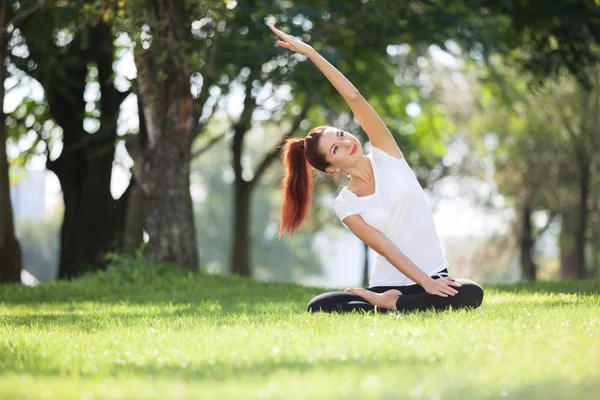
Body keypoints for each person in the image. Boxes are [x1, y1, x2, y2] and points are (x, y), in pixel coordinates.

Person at [270, 25, 484, 313]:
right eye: (336, 149)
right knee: (319, 305)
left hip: (433, 277)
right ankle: (387, 300)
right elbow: (384, 247)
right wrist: (422, 282)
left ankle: (387, 306)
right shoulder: (345, 204)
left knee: (471, 293)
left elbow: (354, 97)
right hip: (392, 282)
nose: (346, 144)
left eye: (342, 135)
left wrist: (310, 53)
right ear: (332, 169)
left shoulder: (386, 154)